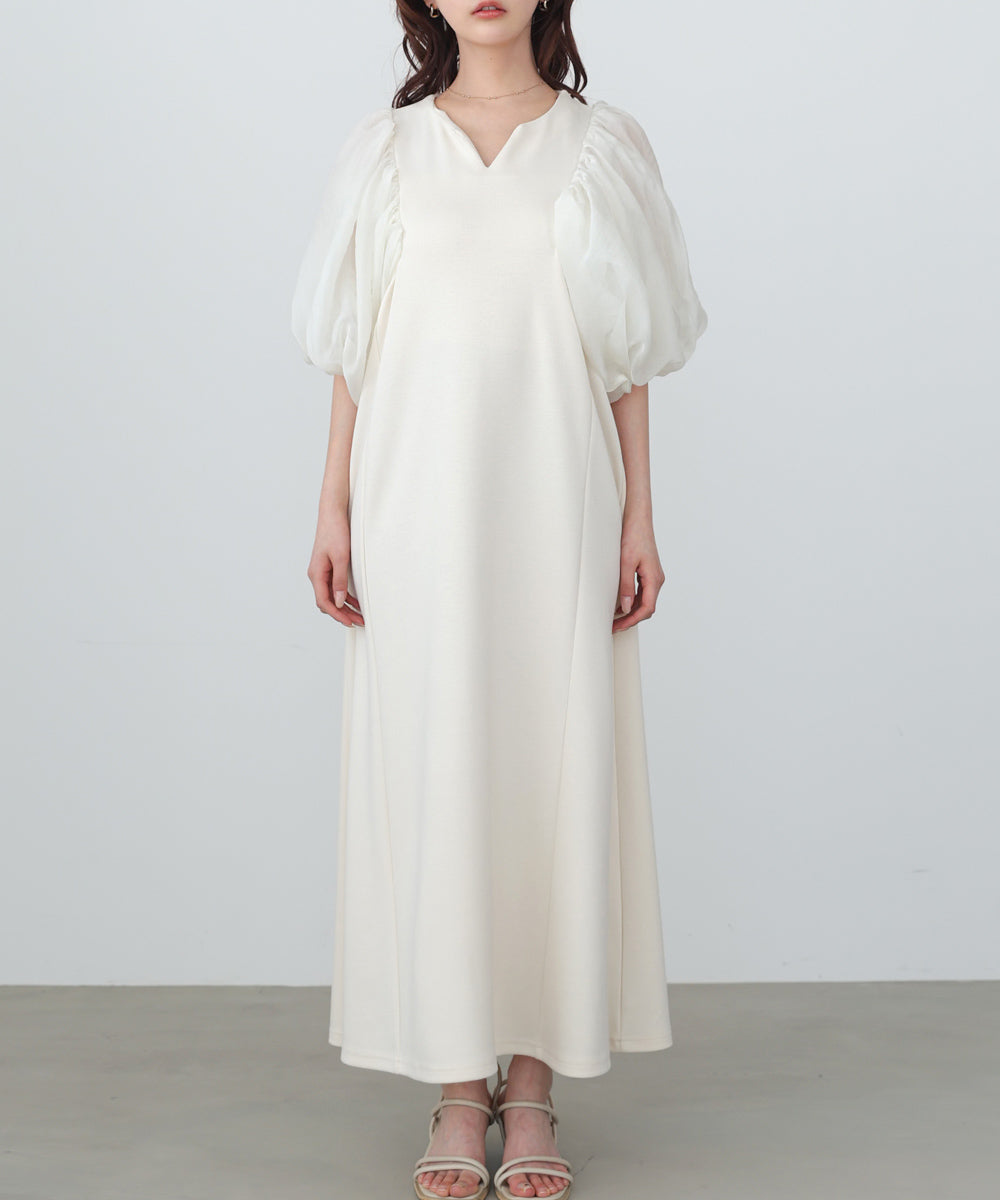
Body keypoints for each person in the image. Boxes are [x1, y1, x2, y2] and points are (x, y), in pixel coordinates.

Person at [290, 2, 708, 1197]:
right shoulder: (385, 150)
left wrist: (638, 513)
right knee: (438, 765)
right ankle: (455, 1082)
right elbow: (355, 344)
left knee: (548, 765)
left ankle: (530, 1083)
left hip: (556, 492)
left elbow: (626, 352)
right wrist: (333, 503)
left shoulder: (601, 145)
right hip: (414, 498)